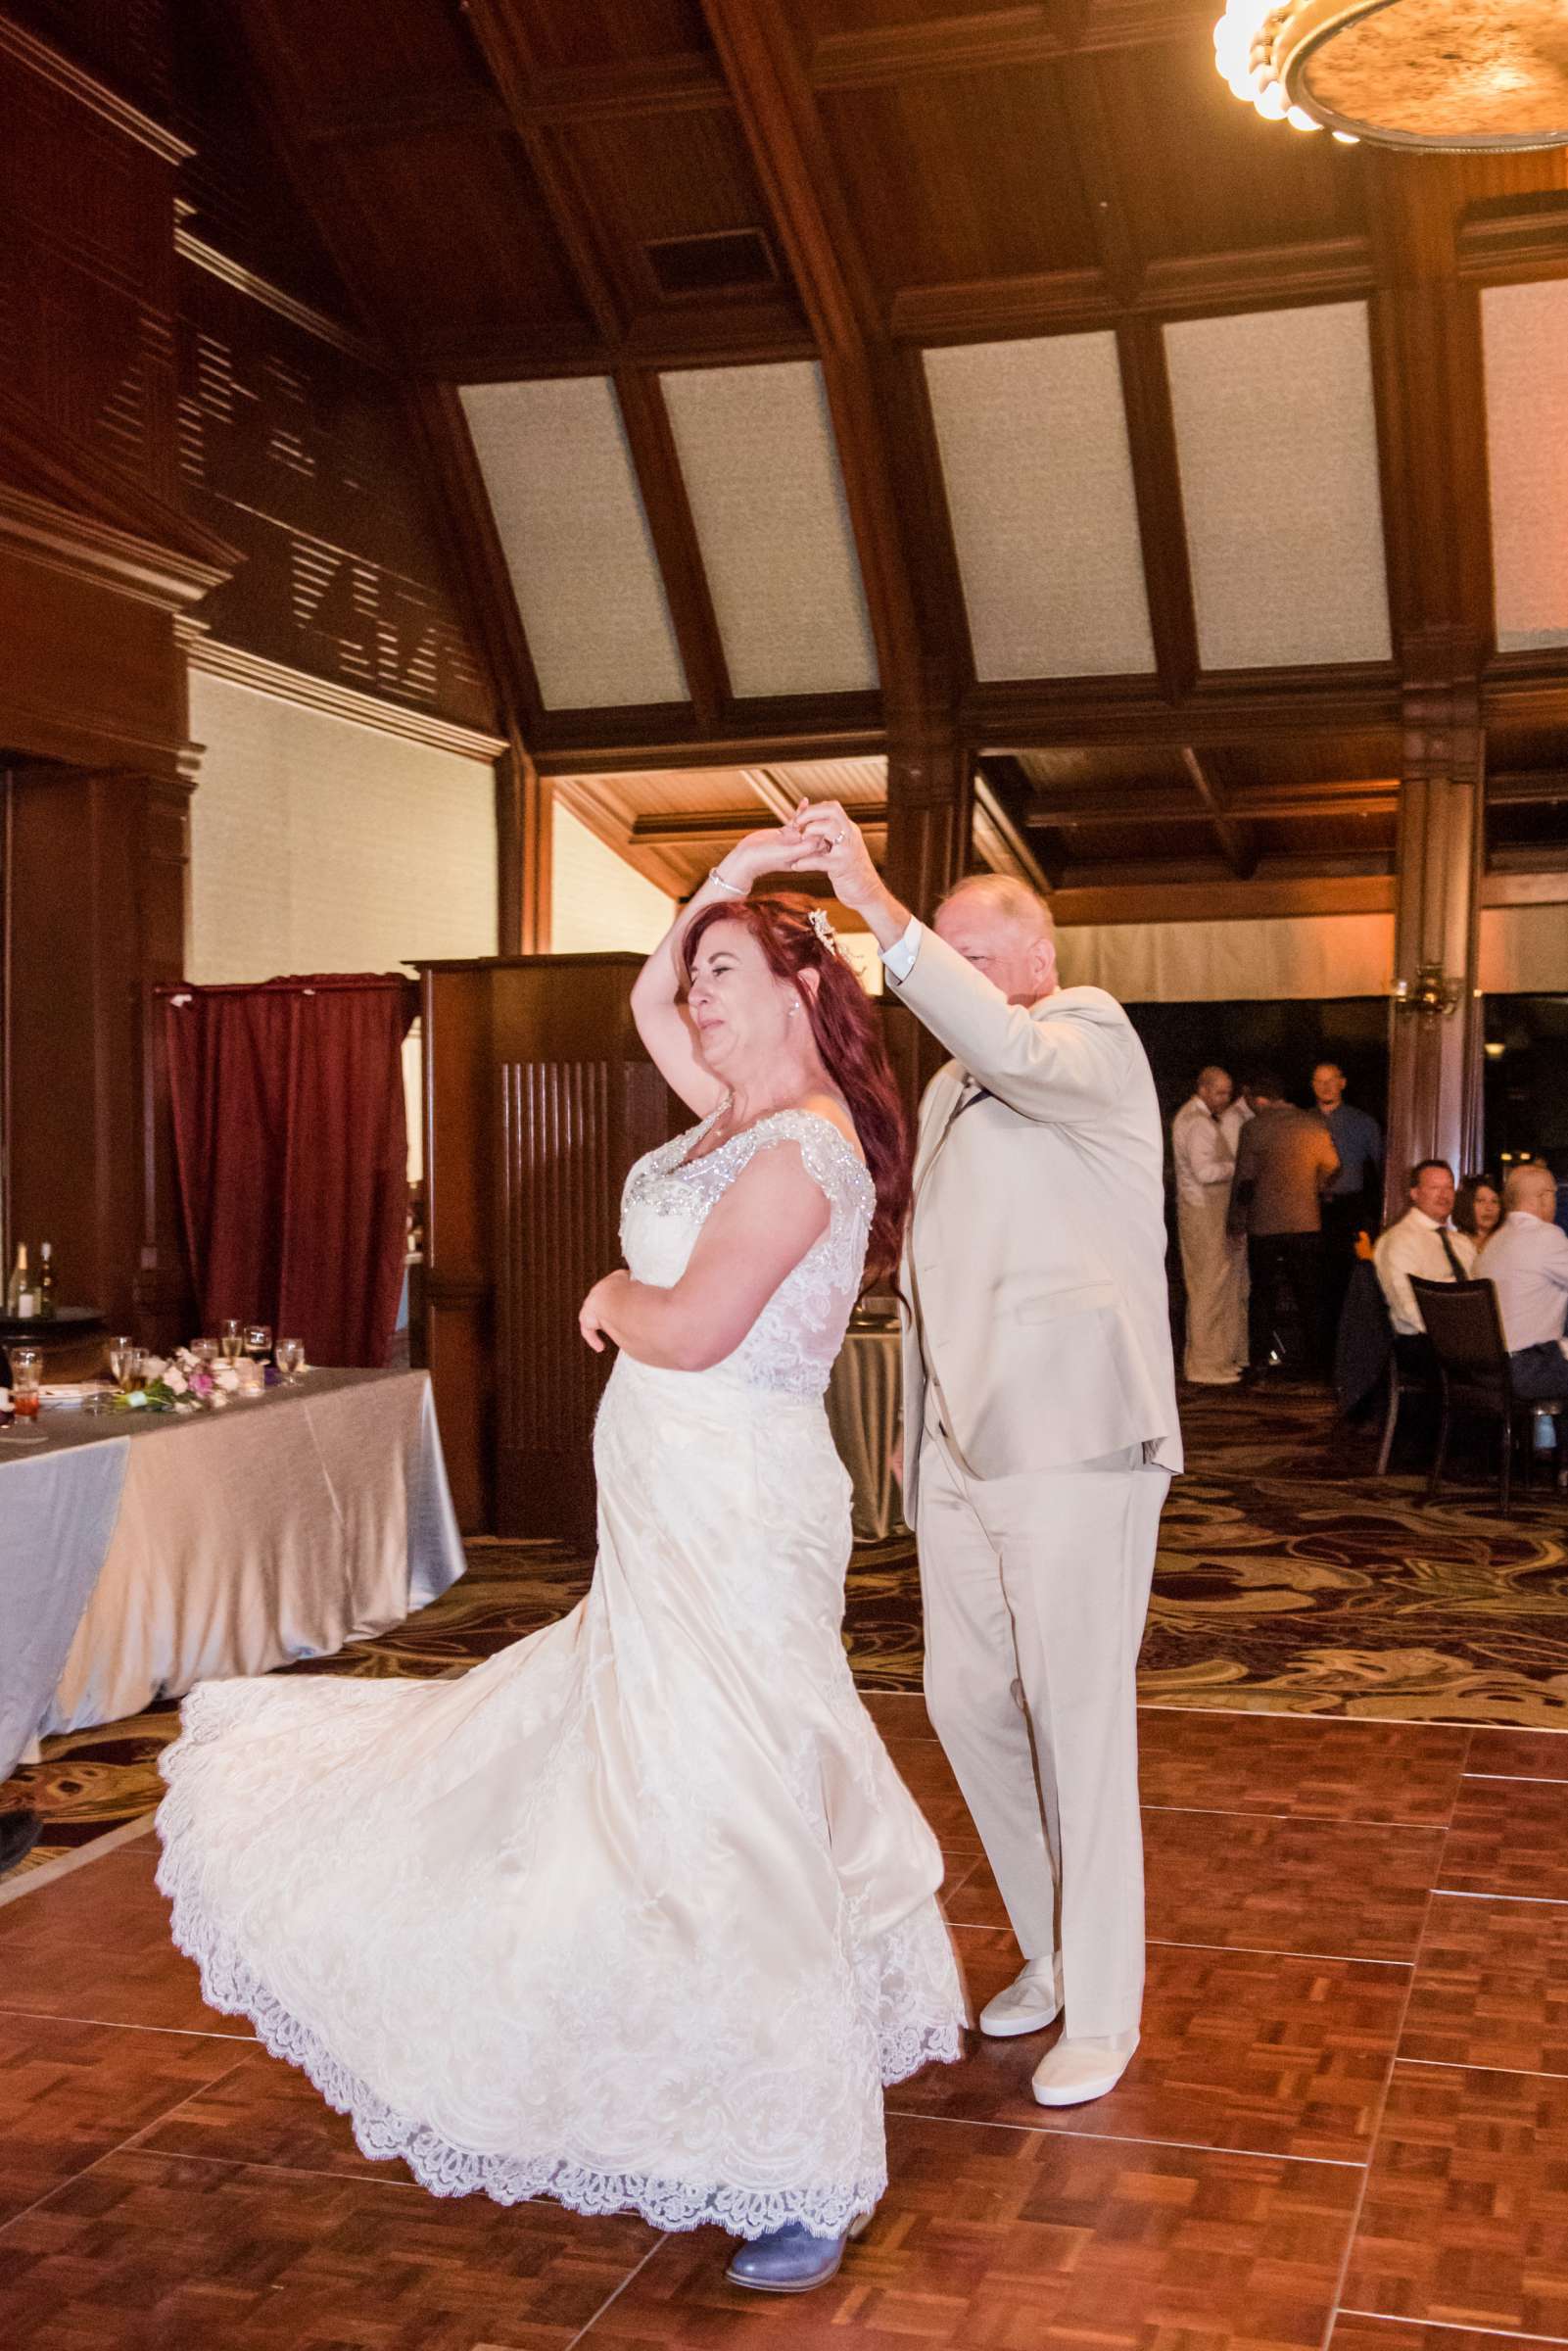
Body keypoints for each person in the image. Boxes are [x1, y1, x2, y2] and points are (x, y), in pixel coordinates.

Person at [156, 831, 965, 2300]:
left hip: (737, 1506)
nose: (696, 1000)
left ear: (804, 988)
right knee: (656, 1777)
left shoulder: (806, 1148)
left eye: (728, 975)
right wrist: (724, 871)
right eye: (701, 974)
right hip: (668, 1502)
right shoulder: (728, 1109)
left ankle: (808, 2156)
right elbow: (647, 1000)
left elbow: (695, 1327)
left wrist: (606, 1292)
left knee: (732, 1796)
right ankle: (682, 2063)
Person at [785, 805, 1179, 2113]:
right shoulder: (958, 1082)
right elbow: (938, 1266)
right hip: (956, 1446)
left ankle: (1107, 2011)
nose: (925, 972)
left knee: (1081, 1722)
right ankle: (1054, 1953)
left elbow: (1006, 1040)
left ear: (1027, 955)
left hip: (1075, 1437)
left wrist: (878, 907)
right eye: (927, 951)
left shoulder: (1090, 1037)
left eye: (955, 949)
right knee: (962, 1701)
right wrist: (910, 1433)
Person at [1227, 1073, 1340, 1376]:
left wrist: (1236, 1221)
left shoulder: (1254, 1128)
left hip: (1265, 1225)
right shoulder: (1313, 1124)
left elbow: (1245, 1180)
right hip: (1305, 1221)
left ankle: (1261, 1361)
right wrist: (1313, 1187)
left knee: (1263, 1295)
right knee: (1309, 1294)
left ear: (1260, 1100)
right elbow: (1333, 1166)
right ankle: (1316, 1362)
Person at [1171, 1067, 1250, 1385]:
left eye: (1228, 1092)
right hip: (1203, 1213)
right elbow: (1204, 1173)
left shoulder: (1202, 1121)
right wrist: (1238, 1166)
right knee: (1207, 1288)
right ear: (1203, 1089)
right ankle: (1203, 1365)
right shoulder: (1196, 1124)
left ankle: (1218, 1360)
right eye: (1220, 1092)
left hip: (1208, 1212)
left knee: (1217, 1286)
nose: (1226, 1098)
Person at [1372, 1158, 1477, 1374]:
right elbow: (1407, 1307)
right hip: (1423, 1346)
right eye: (1434, 1188)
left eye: (1448, 1187)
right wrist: (1459, 1336)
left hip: (1467, 1342)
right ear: (1414, 1193)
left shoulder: (1462, 1243)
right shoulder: (1398, 1240)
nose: (1444, 1195)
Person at [1477, 1162, 1568, 1400]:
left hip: (1489, 1371)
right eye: (1554, 1195)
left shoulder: (1493, 1242)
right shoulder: (1547, 1236)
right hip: (1529, 1370)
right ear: (1544, 1197)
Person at [1311, 1062, 1382, 1361]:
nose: (1326, 1087)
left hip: (1349, 1208)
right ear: (1312, 1085)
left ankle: (1348, 1353)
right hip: (1310, 1208)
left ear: (1343, 1083)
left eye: (1332, 1081)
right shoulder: (1301, 1121)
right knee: (1315, 1283)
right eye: (1319, 1081)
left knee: (1348, 1281)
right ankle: (1318, 1355)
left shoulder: (1363, 1123)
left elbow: (1379, 1169)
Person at [1452, 1174, 1503, 1257]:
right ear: (1466, 1204)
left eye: (1494, 1201)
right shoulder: (1453, 1244)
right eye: (1480, 1201)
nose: (1489, 1208)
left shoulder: (1506, 1244)